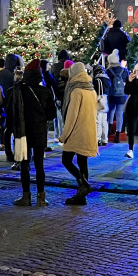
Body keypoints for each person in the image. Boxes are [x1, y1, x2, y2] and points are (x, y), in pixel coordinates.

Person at [7, 59, 57, 207]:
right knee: (39, 165)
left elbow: (10, 111)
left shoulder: (17, 90)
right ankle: (41, 198)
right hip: (40, 132)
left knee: (24, 164)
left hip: (23, 133)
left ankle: (26, 196)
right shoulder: (46, 91)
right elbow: (51, 114)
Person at [59, 62, 98, 205]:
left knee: (66, 160)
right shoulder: (91, 89)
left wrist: (64, 136)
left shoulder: (76, 91)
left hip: (76, 132)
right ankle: (82, 197)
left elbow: (72, 116)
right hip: (88, 131)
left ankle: (84, 185)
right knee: (83, 162)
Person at [0, 53, 21, 164]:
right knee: (14, 128)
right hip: (14, 102)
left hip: (5, 102)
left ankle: (7, 151)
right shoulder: (13, 74)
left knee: (7, 129)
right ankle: (15, 152)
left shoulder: (1, 73)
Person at [92, 63, 111, 146]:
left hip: (99, 98)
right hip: (106, 99)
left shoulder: (97, 79)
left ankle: (97, 139)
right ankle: (105, 139)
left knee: (97, 120)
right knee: (104, 121)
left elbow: (97, 91)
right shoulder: (107, 79)